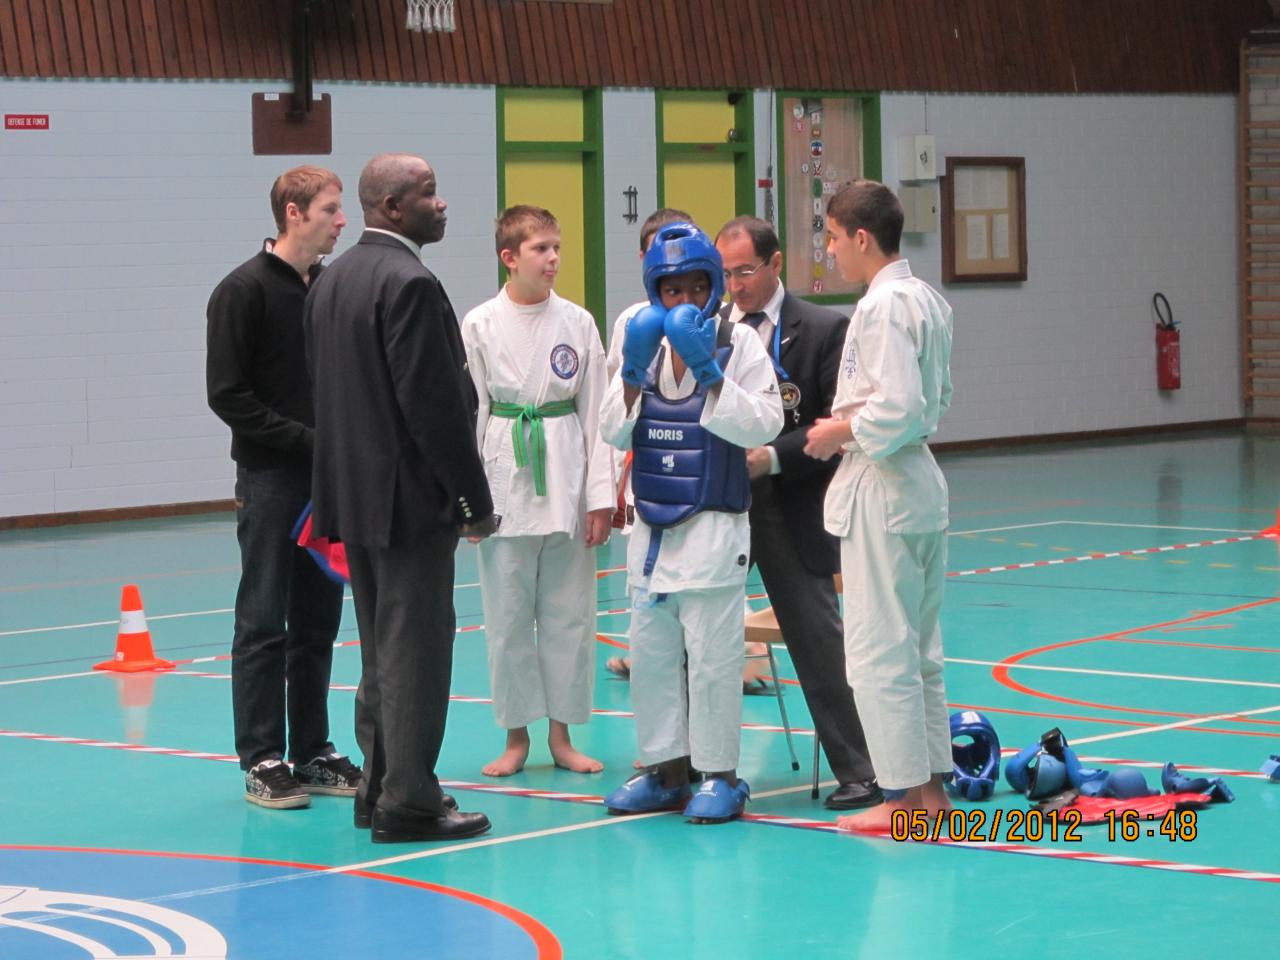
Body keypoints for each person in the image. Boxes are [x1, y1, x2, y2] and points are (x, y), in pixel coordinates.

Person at [304, 153, 497, 843]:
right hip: (409, 501)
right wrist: (474, 501)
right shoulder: (410, 282)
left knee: (382, 650)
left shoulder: (331, 281)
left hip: (356, 499)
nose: (440, 204)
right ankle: (410, 801)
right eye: (428, 193)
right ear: (391, 206)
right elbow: (435, 409)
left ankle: (378, 788)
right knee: (415, 650)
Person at [600, 222, 784, 824]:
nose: (685, 299)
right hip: (653, 531)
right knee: (652, 660)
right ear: (656, 290)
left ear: (712, 287)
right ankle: (664, 771)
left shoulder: (739, 342)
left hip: (712, 530)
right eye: (672, 289)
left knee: (712, 662)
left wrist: (710, 372)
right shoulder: (643, 339)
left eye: (696, 287)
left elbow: (766, 423)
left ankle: (720, 775)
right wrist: (631, 375)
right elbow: (611, 430)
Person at [714, 216, 883, 811]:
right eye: (726, 273)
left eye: (746, 271)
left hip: (790, 505)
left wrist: (771, 459)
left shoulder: (823, 329)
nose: (735, 285)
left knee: (817, 641)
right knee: (697, 637)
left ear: (776, 263)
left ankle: (861, 769)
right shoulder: (711, 332)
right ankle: (689, 767)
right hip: (719, 506)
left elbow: (835, 425)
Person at [206, 165, 362, 810]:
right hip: (271, 481)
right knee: (264, 620)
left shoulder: (330, 288)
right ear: (293, 214)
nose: (342, 220)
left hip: (329, 482)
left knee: (319, 622)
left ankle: (313, 750)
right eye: (330, 209)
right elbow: (228, 396)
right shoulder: (241, 291)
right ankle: (262, 757)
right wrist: (307, 440)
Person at [803, 179, 954, 833]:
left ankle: (899, 800)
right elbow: (935, 400)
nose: (831, 250)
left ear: (861, 238)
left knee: (877, 652)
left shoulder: (883, 306)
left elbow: (898, 408)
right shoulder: (927, 299)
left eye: (834, 238)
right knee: (918, 649)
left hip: (885, 484)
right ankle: (931, 793)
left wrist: (840, 431)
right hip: (916, 485)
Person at [461, 205, 614, 778]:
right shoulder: (479, 323)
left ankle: (563, 734)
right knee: (507, 620)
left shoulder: (578, 322)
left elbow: (597, 415)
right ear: (509, 257)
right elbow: (473, 411)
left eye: (556, 247)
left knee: (570, 617)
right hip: (504, 477)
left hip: (566, 474)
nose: (553, 259)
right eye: (540, 249)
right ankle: (516, 736)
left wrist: (600, 497)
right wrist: (470, 502)